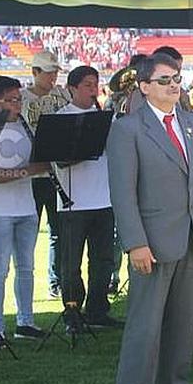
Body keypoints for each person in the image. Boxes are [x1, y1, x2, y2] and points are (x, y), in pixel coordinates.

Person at [109, 53, 193, 384]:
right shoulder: (127, 129)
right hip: (153, 241)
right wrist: (135, 243)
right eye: (164, 80)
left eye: (177, 78)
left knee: (183, 322)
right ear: (144, 87)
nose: (174, 84)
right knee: (145, 325)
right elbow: (123, 193)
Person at [0, 76, 51, 348]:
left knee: (26, 267)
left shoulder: (23, 125)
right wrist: (29, 171)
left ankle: (26, 321)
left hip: (25, 205)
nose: (17, 104)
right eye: (11, 100)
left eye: (19, 99)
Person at [54, 66, 120, 332]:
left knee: (103, 259)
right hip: (74, 201)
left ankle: (97, 309)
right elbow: (59, 158)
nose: (93, 90)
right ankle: (72, 311)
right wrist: (90, 146)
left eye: (96, 85)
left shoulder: (106, 117)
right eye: (87, 85)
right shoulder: (61, 118)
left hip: (104, 198)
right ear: (72, 88)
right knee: (70, 262)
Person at [21, 51, 71, 298]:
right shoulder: (20, 98)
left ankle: (56, 280)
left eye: (55, 72)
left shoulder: (62, 94)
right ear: (35, 72)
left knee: (58, 230)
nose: (53, 77)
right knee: (28, 232)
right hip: (30, 176)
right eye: (48, 72)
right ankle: (25, 281)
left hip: (56, 173)